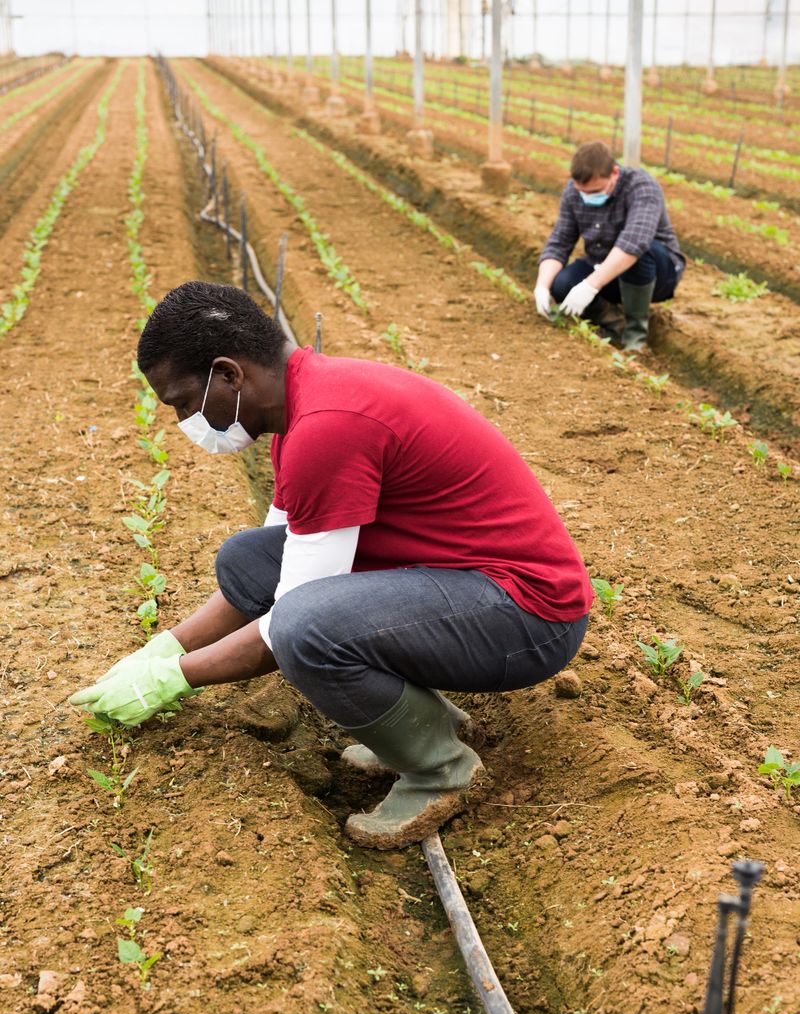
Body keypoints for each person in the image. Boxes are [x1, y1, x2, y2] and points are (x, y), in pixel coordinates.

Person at [70, 281, 592, 849]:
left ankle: (439, 769)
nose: (185, 420)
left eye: (182, 401)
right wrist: (166, 646)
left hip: (530, 616)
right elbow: (272, 567)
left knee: (306, 630)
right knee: (248, 559)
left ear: (228, 375)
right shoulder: (299, 409)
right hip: (467, 583)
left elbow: (282, 627)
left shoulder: (328, 426)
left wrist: (172, 680)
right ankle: (421, 724)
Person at [534, 141, 686, 351]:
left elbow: (634, 242)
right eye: (582, 192)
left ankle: (636, 336)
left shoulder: (642, 186)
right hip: (606, 269)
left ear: (615, 173)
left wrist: (590, 285)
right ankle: (616, 324)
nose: (587, 197)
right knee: (562, 284)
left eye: (595, 191)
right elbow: (560, 242)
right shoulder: (572, 192)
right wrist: (542, 285)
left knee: (639, 252)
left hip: (657, 273)